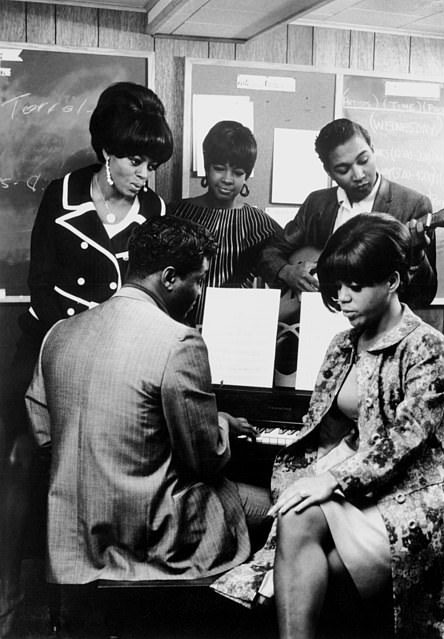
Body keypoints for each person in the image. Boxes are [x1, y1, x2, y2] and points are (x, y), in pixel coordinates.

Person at [211, 214, 444, 639]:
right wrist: (308, 475)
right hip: (360, 483)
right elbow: (320, 424)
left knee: (332, 569)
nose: (342, 298)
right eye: (335, 287)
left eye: (355, 287)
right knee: (296, 520)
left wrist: (332, 480)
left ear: (393, 281)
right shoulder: (342, 343)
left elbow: (404, 440)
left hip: (421, 492)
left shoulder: (430, 348)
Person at [0, 81, 173, 637]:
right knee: (23, 462)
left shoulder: (156, 209)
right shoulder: (61, 193)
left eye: (151, 163)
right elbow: (43, 288)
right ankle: (8, 594)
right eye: (135, 161)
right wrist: (77, 352)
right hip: (51, 347)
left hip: (118, 360)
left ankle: (98, 593)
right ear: (106, 151)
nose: (144, 176)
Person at [25, 215, 271, 584]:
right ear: (169, 278)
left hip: (74, 537)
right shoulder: (179, 342)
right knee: (273, 507)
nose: (199, 293)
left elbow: (44, 434)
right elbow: (204, 460)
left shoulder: (58, 333)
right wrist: (221, 423)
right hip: (150, 537)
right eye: (198, 280)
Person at [260, 118, 437, 310]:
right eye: (343, 169)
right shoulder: (316, 204)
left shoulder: (413, 205)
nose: (359, 175)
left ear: (372, 149)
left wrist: (416, 256)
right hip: (318, 318)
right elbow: (270, 252)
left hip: (378, 329)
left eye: (363, 160)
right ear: (328, 171)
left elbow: (424, 296)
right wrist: (287, 272)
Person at [168, 120, 281, 328]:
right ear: (206, 167)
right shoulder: (175, 214)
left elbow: (284, 267)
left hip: (232, 331)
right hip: (175, 324)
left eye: (238, 173)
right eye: (219, 168)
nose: (227, 179)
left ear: (247, 175)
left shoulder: (260, 225)